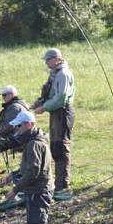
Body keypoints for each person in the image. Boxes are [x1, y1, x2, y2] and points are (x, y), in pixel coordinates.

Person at [2, 110, 53, 224]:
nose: (17, 129)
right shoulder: (34, 141)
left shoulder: (34, 144)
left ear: (29, 125)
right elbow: (30, 167)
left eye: (19, 126)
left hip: (39, 191)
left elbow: (33, 172)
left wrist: (15, 189)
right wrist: (14, 175)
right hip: (36, 190)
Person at [32, 48, 75, 198]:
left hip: (62, 112)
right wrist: (39, 102)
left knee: (61, 147)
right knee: (55, 146)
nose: (46, 63)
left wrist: (44, 107)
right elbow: (50, 93)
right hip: (55, 112)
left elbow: (61, 97)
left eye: (48, 60)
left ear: (57, 59)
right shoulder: (55, 73)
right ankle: (58, 183)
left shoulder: (63, 74)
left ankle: (63, 185)